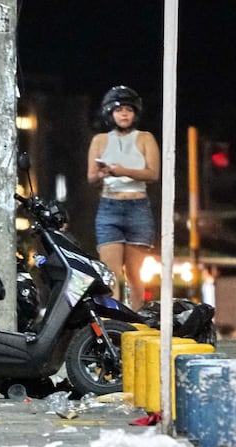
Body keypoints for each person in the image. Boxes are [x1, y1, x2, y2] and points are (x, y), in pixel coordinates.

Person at [87, 86, 159, 310]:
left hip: (137, 206)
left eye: (128, 110)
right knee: (110, 274)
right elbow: (91, 177)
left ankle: (137, 320)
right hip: (109, 206)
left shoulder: (146, 138)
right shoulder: (99, 140)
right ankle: (113, 321)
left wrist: (123, 171)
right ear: (110, 113)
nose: (124, 114)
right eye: (119, 110)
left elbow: (153, 173)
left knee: (135, 275)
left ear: (135, 113)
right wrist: (103, 173)